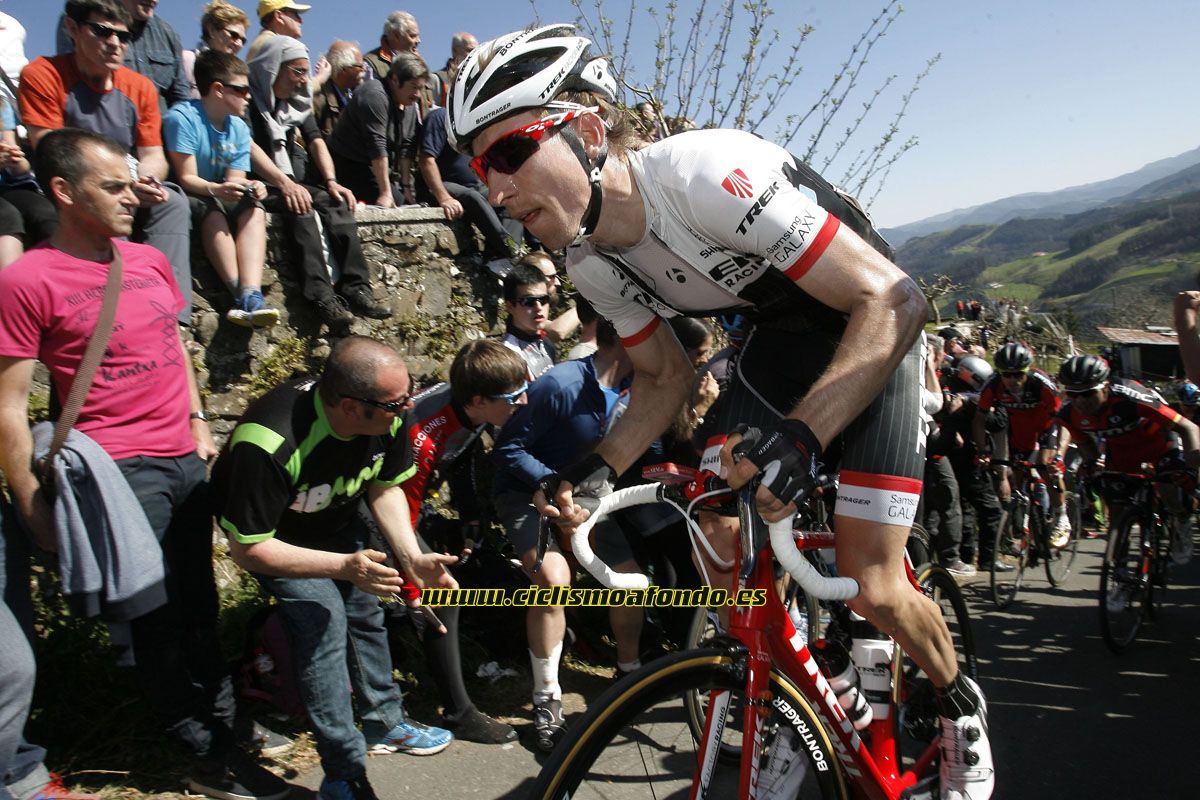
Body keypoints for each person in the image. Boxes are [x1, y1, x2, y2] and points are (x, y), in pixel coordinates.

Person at [446, 24, 993, 798]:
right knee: (719, 522)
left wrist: (805, 438)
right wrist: (597, 469)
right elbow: (664, 376)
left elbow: (893, 296)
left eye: (509, 153)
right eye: (479, 165)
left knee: (872, 579)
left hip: (873, 326)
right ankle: (797, 687)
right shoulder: (589, 261)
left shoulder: (707, 174)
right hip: (777, 338)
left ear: (590, 130)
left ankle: (958, 711)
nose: (494, 188)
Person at [0, 128, 289, 800]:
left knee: (200, 608)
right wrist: (30, 504)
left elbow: (174, 344)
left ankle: (222, 728)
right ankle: (206, 753)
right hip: (118, 474)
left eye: (132, 182)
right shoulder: (26, 281)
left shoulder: (149, 261)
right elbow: (9, 409)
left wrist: (195, 422)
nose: (135, 196)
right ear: (65, 193)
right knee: (154, 623)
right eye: (114, 186)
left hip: (182, 460)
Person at [210, 336, 456, 800]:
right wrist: (344, 567)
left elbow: (385, 488)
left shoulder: (387, 414)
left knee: (366, 615)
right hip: (277, 541)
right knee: (322, 624)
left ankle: (385, 724)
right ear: (348, 405)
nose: (406, 411)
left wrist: (411, 557)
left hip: (338, 524)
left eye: (409, 396)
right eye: (395, 403)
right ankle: (344, 773)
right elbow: (248, 550)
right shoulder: (268, 442)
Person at [492, 317, 646, 752]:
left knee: (632, 582)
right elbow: (507, 448)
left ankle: (630, 673)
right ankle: (546, 699)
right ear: (626, 340)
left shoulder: (641, 383)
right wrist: (548, 485)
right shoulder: (560, 384)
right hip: (526, 492)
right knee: (553, 580)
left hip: (584, 497)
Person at [388, 338, 528, 744]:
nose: (522, 403)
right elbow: (398, 506)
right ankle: (458, 712)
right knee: (440, 599)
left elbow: (463, 456)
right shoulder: (424, 434)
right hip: (383, 506)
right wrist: (415, 580)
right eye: (514, 397)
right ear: (480, 400)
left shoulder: (473, 407)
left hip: (413, 501)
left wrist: (471, 520)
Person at [21, 0, 194, 324]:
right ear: (73, 29)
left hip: (125, 180)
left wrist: (146, 181)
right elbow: (49, 149)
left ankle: (169, 317)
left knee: (172, 202)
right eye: (102, 31)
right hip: (72, 185)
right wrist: (118, 186)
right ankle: (120, 313)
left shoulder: (139, 86)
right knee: (107, 203)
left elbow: (153, 154)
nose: (115, 43)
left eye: (123, 36)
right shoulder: (43, 74)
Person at [246, 34, 391, 323]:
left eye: (305, 71)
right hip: (260, 183)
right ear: (274, 68)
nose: (303, 80)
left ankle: (357, 289)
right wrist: (285, 184)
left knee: (336, 202)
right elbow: (247, 148)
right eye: (296, 71)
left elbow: (315, 141)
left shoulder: (295, 102)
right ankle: (322, 298)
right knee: (300, 209)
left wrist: (331, 181)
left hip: (290, 181)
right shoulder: (249, 101)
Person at [165, 49, 279, 328]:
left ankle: (252, 296)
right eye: (241, 90)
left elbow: (235, 178)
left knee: (254, 210)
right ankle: (240, 295)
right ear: (217, 89)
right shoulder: (181, 118)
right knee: (213, 213)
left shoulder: (238, 127)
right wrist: (218, 190)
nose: (248, 96)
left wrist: (252, 187)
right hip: (192, 194)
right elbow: (186, 177)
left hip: (217, 190)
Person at [1056, 355, 1200, 566]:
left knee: (1169, 492)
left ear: (1105, 387)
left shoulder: (1131, 397)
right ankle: (1119, 575)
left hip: (1159, 444)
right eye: (1072, 394)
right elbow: (1086, 444)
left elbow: (1189, 428)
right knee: (1116, 515)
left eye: (1087, 393)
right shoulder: (1069, 414)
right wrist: (1090, 465)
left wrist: (1191, 470)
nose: (1080, 401)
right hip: (1122, 452)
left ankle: (1181, 519)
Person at [973, 342, 1072, 547]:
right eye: (1006, 375)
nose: (1012, 380)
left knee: (1046, 466)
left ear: (1027, 371)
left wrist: (1059, 455)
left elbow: (1064, 420)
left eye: (1018, 374)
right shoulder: (993, 385)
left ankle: (1061, 515)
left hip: (1046, 426)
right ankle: (1029, 521)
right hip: (1020, 429)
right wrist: (982, 450)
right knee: (1018, 475)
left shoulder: (1041, 384)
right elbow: (979, 419)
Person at [417, 99, 525, 267]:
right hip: (441, 186)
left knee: (508, 197)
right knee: (472, 197)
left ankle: (496, 258)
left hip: (472, 186)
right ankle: (512, 251)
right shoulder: (439, 117)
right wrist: (444, 198)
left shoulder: (474, 123)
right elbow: (426, 160)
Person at [329, 52, 426, 208]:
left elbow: (406, 148)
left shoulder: (408, 103)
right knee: (395, 202)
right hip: (348, 164)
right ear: (395, 80)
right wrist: (385, 193)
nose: (417, 94)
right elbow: (377, 145)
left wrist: (407, 189)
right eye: (413, 87)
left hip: (374, 167)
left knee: (404, 201)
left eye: (420, 88)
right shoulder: (374, 94)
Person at [55, 0, 191, 112]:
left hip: (157, 137)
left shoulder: (168, 34)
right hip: (101, 135)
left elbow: (181, 97)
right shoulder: (81, 17)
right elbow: (70, 83)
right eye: (104, 32)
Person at [0, 99, 57, 269]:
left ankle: (66, 276)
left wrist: (14, 158)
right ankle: (10, 286)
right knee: (6, 216)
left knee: (43, 210)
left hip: (7, 187)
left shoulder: (2, 106)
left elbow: (21, 169)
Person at [499, 262, 556, 380]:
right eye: (529, 301)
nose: (539, 307)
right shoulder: (508, 355)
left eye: (544, 299)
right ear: (510, 307)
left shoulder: (546, 341)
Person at [183, 1, 251, 97]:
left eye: (243, 40)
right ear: (211, 30)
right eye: (234, 35)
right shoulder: (188, 60)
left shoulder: (235, 75)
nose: (239, 44)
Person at [313, 41, 365, 137]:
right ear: (344, 69)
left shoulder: (358, 96)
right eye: (360, 66)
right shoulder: (318, 100)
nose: (364, 70)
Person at [431, 31, 476, 107]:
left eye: (476, 50)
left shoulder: (478, 78)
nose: (475, 54)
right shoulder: (438, 79)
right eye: (470, 50)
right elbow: (433, 115)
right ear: (455, 51)